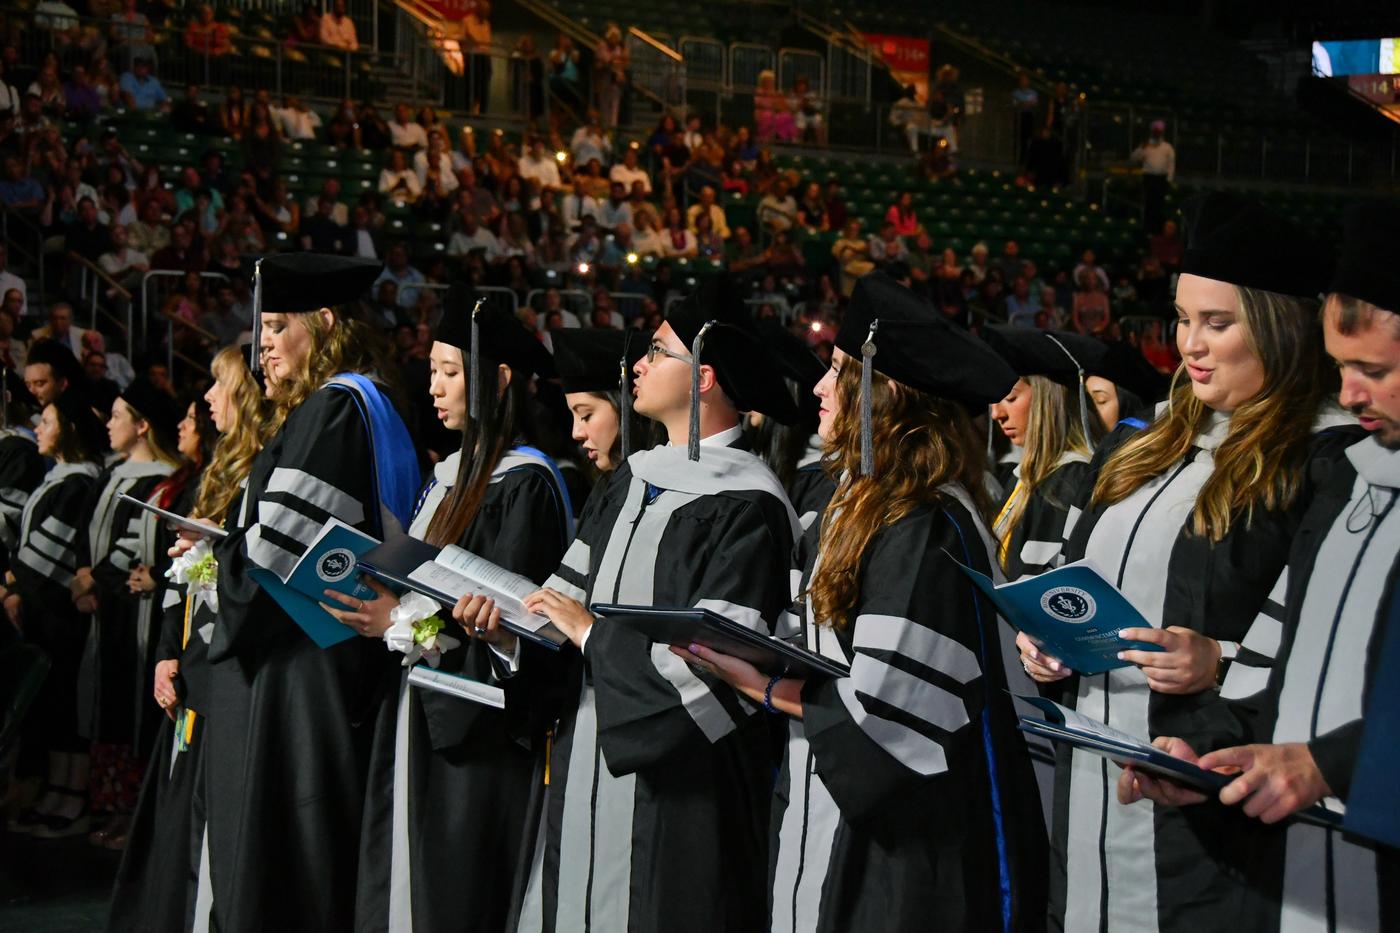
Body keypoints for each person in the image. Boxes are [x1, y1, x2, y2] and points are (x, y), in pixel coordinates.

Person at [1017, 193, 1355, 933]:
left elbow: (1337, 651)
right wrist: (1046, 638)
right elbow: (1076, 578)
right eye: (1182, 318)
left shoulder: (1324, 462)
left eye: (1218, 323)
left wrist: (1219, 658)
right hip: (1092, 787)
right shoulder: (1143, 444)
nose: (1190, 344)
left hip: (1212, 805)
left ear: (1279, 326)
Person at [679, 273, 1046, 931]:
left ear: (886, 396)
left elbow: (888, 733)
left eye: (840, 372)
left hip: (912, 856)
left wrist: (764, 686)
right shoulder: (859, 507)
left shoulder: (925, 528)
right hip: (832, 813)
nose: (819, 386)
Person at [1119, 201, 1400, 933]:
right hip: (1296, 866)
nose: (1349, 394)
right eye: (1343, 370)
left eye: (1373, 369)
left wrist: (1327, 763)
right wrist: (1203, 755)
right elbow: (1281, 665)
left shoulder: (1324, 460)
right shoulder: (1357, 483)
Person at [514, 283, 802, 932]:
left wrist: (594, 639)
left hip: (682, 793)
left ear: (702, 378)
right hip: (590, 752)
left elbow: (720, 665)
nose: (636, 367)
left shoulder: (747, 506)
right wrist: (495, 620)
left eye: (655, 352)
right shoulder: (631, 478)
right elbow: (557, 603)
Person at [187, 256, 415, 931]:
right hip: (341, 656)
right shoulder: (378, 407)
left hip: (297, 674)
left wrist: (216, 558)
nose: (265, 346)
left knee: (285, 863)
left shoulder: (334, 407)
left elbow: (271, 559)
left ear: (325, 323)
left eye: (278, 327)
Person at [334, 294, 573, 932]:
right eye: (432, 371)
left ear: (497, 380)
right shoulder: (449, 475)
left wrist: (400, 621)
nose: (433, 387)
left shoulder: (525, 483)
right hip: (416, 702)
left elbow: (526, 625)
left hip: (473, 728)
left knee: (454, 888)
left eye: (449, 372)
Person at [72, 380, 184, 850]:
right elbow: (85, 528)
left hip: (133, 609)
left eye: (119, 414)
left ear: (142, 425)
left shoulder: (163, 479)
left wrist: (95, 579)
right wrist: (81, 575)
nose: (109, 422)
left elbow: (131, 542)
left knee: (129, 704)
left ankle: (133, 814)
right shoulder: (112, 472)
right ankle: (115, 809)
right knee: (106, 705)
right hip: (103, 608)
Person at [3, 394, 105, 838]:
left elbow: (51, 552)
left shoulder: (79, 483)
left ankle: (72, 795)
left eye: (47, 421)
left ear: (70, 430)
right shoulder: (61, 477)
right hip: (43, 609)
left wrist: (12, 584)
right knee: (52, 704)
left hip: (59, 612)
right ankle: (54, 792)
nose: (38, 428)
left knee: (65, 703)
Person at [986, 327, 1103, 579]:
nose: (996, 414)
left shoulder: (1070, 479)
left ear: (1047, 400)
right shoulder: (1023, 476)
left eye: (1010, 397)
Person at [1131, 120, 1175, 236]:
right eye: (1156, 131)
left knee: (1159, 205)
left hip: (1161, 179)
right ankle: (1147, 230)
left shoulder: (1167, 147)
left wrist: (1169, 180)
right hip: (1149, 178)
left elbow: (1171, 164)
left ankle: (1158, 230)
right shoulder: (1145, 145)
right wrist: (1142, 148)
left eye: (1159, 132)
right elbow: (1134, 158)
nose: (1157, 134)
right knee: (1148, 204)